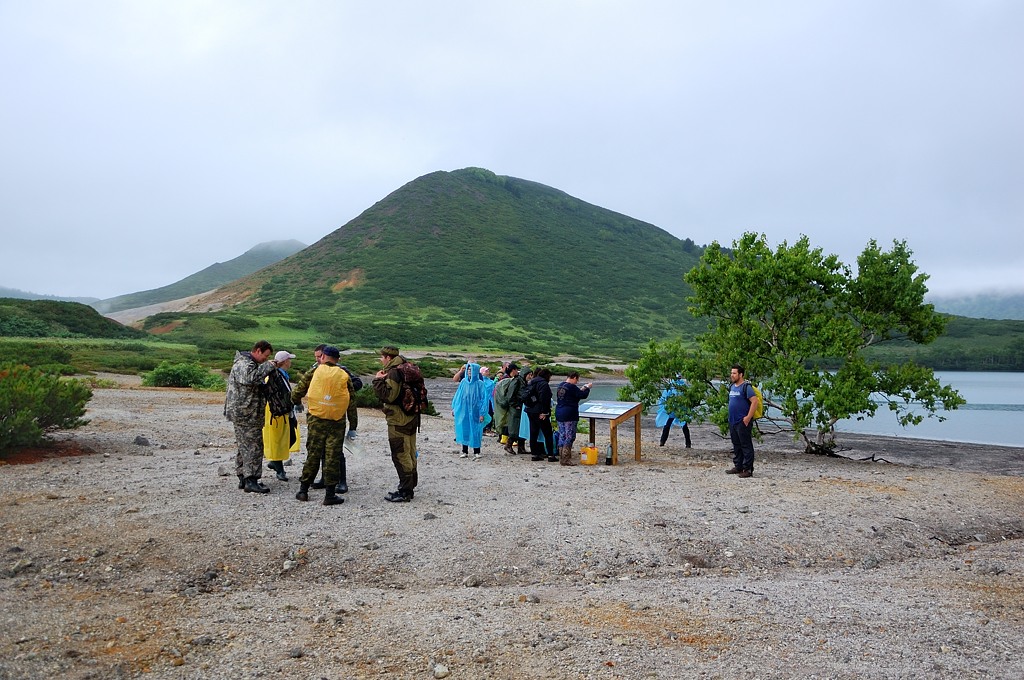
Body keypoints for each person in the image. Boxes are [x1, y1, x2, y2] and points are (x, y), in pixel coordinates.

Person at [290, 346, 353, 506]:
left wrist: (297, 402)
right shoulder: (344, 374)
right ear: (337, 359)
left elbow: (297, 392)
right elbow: (351, 402)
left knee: (313, 454)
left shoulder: (314, 371)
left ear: (323, 356)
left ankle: (303, 490)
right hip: (337, 422)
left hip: (316, 419)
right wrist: (353, 425)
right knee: (333, 456)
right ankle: (330, 495)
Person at [224, 340, 277, 494]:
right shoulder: (244, 364)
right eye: (265, 356)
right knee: (253, 446)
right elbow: (250, 379)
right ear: (258, 351)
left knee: (244, 446)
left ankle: (243, 477)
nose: (265, 360)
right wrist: (269, 366)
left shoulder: (247, 363)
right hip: (246, 413)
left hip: (245, 412)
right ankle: (251, 480)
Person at [372, 346, 419, 503]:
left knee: (400, 453)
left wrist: (378, 380)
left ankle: (405, 491)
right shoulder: (407, 367)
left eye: (382, 357)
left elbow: (389, 396)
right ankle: (410, 487)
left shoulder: (394, 372)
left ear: (387, 358)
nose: (381, 360)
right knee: (410, 452)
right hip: (412, 417)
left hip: (399, 419)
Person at [263, 350, 299, 481]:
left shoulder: (281, 375)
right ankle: (279, 469)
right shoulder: (276, 376)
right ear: (284, 361)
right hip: (277, 413)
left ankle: (275, 462)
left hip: (281, 412)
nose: (290, 362)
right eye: (289, 359)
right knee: (278, 440)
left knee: (288, 438)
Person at [451, 361, 491, 460]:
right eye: (468, 370)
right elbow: (458, 396)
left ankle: (477, 451)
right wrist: (455, 408)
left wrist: (482, 413)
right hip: (464, 410)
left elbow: (484, 399)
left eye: (471, 370)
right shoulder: (463, 382)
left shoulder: (480, 384)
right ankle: (464, 451)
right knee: (464, 429)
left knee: (476, 430)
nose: (469, 372)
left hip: (476, 411)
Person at [727, 364, 759, 478]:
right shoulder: (732, 386)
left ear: (741, 374)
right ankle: (738, 466)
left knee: (746, 445)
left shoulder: (746, 387)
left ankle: (748, 469)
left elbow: (754, 402)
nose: (732, 375)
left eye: (734, 373)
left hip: (743, 421)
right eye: (731, 373)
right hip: (733, 421)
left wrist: (748, 417)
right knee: (736, 445)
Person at [554, 371, 593, 466]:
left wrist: (582, 388)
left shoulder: (561, 385)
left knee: (562, 435)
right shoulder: (571, 387)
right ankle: (565, 458)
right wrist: (587, 388)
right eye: (577, 379)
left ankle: (562, 456)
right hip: (569, 414)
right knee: (570, 435)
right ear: (574, 377)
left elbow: (575, 395)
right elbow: (582, 395)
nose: (577, 381)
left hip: (559, 412)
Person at [496, 363, 528, 455]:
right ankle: (508, 445)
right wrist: (514, 404)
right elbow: (511, 395)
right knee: (515, 427)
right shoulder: (516, 381)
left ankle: (521, 448)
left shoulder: (520, 380)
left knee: (521, 427)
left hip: (519, 406)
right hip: (515, 407)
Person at [525, 368, 555, 462]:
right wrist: (544, 412)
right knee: (548, 433)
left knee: (533, 433)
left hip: (530, 410)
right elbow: (544, 399)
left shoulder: (531, 382)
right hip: (540, 412)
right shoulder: (543, 384)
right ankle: (550, 455)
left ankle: (534, 454)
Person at [657, 377, 692, 449]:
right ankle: (662, 442)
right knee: (673, 425)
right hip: (675, 409)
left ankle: (662, 442)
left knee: (679, 425)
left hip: (677, 409)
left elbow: (664, 397)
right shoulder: (676, 385)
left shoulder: (678, 385)